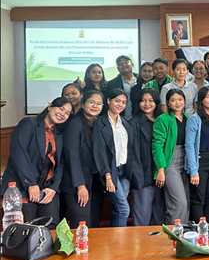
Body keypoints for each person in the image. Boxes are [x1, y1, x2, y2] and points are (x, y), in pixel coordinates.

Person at [1, 97, 73, 229]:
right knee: (24, 228)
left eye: (67, 113)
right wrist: (30, 184)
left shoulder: (58, 133)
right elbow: (18, 153)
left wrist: (53, 188)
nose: (63, 114)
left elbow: (60, 162)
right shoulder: (28, 123)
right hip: (22, 186)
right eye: (61, 108)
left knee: (51, 226)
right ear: (50, 106)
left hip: (47, 187)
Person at [93, 88, 140, 227]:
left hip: (124, 171)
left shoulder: (125, 123)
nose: (120, 104)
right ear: (108, 101)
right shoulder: (99, 122)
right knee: (124, 209)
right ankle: (121, 243)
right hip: (110, 173)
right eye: (117, 101)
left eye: (124, 102)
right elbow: (99, 151)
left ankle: (114, 240)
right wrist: (108, 176)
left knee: (118, 209)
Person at [61, 91, 104, 228]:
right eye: (91, 102)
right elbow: (72, 157)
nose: (95, 106)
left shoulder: (97, 123)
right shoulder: (74, 124)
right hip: (77, 183)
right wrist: (80, 186)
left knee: (93, 223)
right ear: (83, 103)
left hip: (94, 181)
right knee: (82, 223)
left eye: (99, 103)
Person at [152, 89, 190, 223]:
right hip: (170, 162)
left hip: (185, 162)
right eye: (173, 100)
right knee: (179, 203)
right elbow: (157, 146)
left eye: (180, 99)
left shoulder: (187, 118)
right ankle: (173, 235)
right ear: (168, 103)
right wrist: (161, 169)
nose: (177, 103)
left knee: (185, 202)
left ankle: (183, 234)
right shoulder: (163, 119)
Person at [186, 86, 209, 223]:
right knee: (198, 199)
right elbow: (189, 146)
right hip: (200, 162)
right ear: (200, 100)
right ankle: (198, 231)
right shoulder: (194, 119)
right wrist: (194, 171)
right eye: (208, 97)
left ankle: (208, 229)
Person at [129, 87, 165, 226]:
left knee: (159, 216)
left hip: (160, 174)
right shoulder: (133, 123)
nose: (147, 104)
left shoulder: (162, 121)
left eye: (151, 100)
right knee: (142, 218)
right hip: (142, 176)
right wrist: (138, 178)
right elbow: (133, 154)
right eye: (143, 100)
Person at [105, 55, 139, 121]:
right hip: (121, 119)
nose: (123, 65)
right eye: (120, 64)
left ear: (132, 64)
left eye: (126, 62)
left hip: (140, 119)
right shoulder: (112, 84)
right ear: (117, 68)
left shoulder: (141, 79)